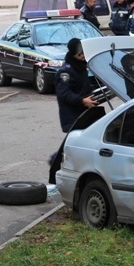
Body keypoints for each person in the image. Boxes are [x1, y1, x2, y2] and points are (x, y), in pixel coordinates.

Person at [48, 38, 97, 184]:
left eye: (83, 54)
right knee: (75, 143)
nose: (83, 57)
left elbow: (84, 88)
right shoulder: (66, 72)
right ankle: (55, 161)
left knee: (81, 143)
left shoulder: (81, 68)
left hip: (84, 113)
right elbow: (64, 94)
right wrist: (83, 100)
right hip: (72, 114)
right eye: (80, 55)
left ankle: (64, 163)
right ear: (73, 54)